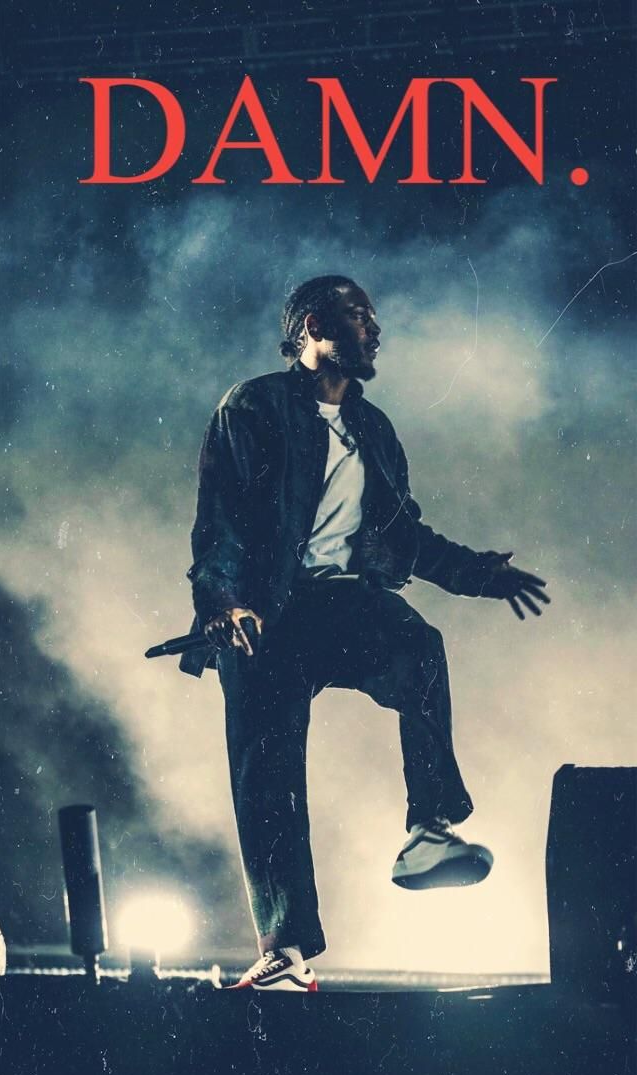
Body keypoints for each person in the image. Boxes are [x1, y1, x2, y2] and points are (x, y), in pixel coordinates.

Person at [180, 275, 550, 992]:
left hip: (343, 605)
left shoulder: (373, 428)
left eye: (374, 319)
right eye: (359, 317)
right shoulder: (254, 406)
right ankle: (286, 946)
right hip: (266, 614)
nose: (374, 330)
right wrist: (221, 602)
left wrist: (480, 574)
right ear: (315, 326)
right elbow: (218, 519)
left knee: (419, 647)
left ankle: (428, 832)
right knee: (270, 772)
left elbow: (402, 535)